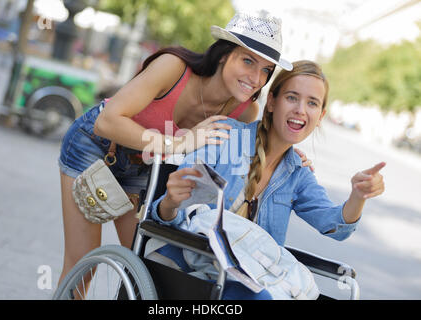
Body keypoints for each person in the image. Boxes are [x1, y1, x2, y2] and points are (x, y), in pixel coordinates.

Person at [57, 11, 317, 287]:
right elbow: (106, 122)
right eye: (248, 61)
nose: (256, 77)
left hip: (146, 166)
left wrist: (290, 159)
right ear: (223, 54)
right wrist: (178, 143)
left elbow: (261, 145)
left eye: (266, 70)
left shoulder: (245, 110)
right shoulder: (173, 67)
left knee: (146, 265)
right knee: (82, 264)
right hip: (97, 149)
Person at [151, 60, 386, 299]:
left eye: (312, 103)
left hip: (249, 278)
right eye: (292, 97)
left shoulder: (298, 173)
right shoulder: (224, 136)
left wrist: (358, 196)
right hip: (189, 267)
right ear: (272, 101)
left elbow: (335, 226)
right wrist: (171, 201)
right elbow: (174, 214)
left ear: (320, 116)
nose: (301, 110)